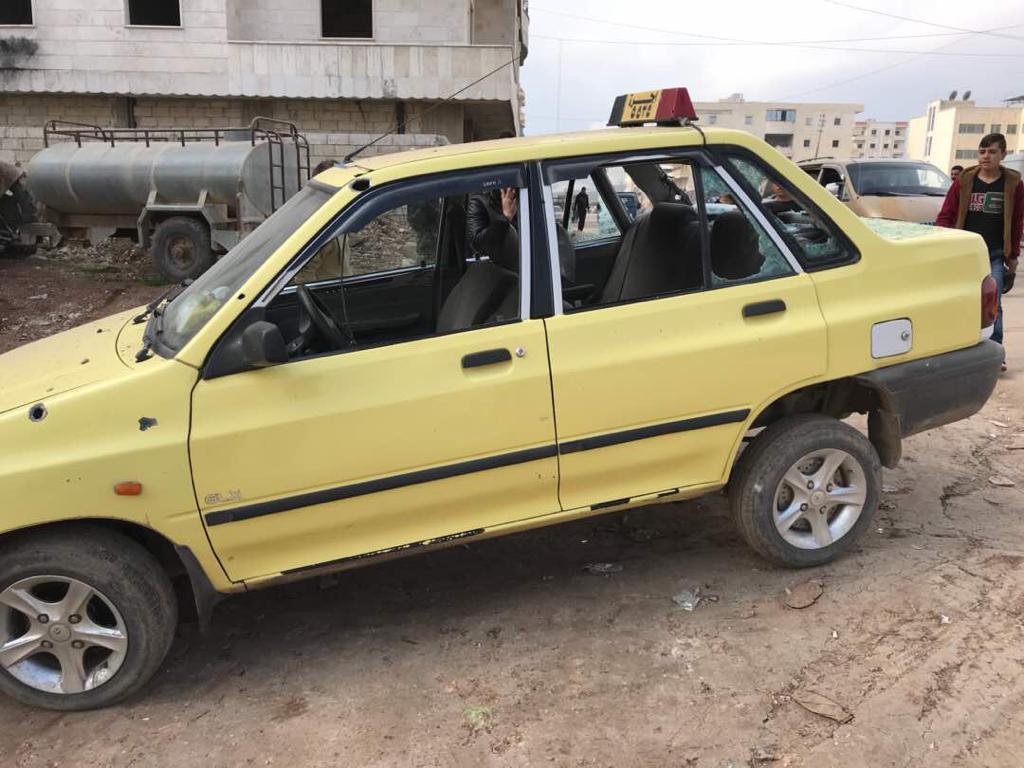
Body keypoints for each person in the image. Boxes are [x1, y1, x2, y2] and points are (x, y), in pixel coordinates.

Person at [937, 133, 1023, 367]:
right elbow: (946, 214)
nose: (986, 156)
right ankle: (956, 348)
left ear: (1003, 154)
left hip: (994, 253)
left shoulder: (1013, 183)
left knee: (992, 302)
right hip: (963, 252)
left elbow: (1016, 222)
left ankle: (995, 354)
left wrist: (1013, 256)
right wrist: (943, 244)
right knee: (959, 299)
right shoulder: (964, 180)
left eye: (993, 152)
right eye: (982, 151)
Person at [467, 187, 519, 267]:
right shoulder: (480, 201)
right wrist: (505, 218)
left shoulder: (524, 196)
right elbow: (478, 243)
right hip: (497, 269)